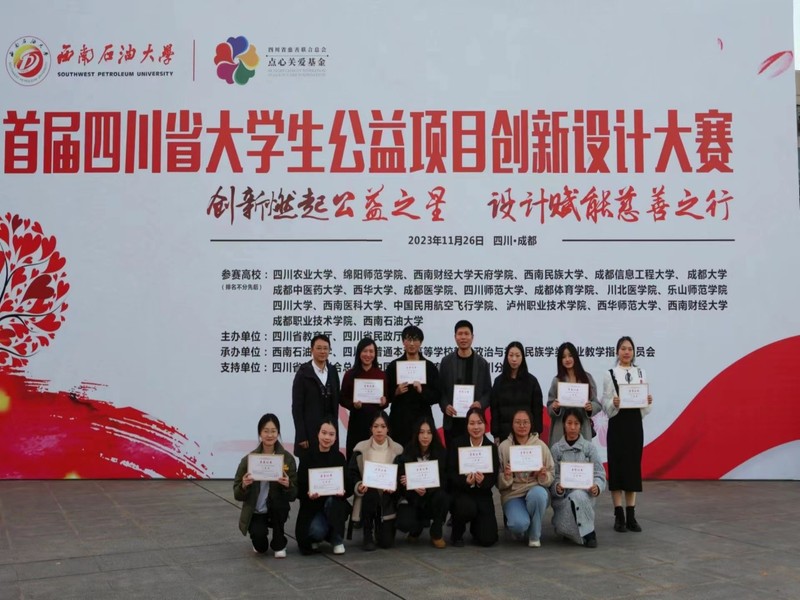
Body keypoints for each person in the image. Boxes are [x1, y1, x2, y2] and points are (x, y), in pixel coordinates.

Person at [601, 336, 654, 533]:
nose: (626, 352)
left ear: (633, 352)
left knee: (632, 468)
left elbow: (644, 405)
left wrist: (647, 400)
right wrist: (612, 403)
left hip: (634, 425)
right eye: (623, 348)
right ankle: (619, 515)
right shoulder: (610, 374)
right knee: (617, 468)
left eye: (629, 349)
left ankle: (631, 515)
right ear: (617, 352)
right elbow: (605, 402)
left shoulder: (640, 373)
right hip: (617, 424)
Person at [233, 413, 298, 557]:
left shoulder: (287, 459)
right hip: (257, 509)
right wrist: (244, 485)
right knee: (261, 547)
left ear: (278, 433)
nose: (270, 435)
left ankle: (279, 542)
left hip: (277, 508)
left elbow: (294, 495)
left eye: (273, 431)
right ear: (260, 433)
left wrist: (288, 485)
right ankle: (258, 538)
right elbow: (237, 493)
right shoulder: (248, 460)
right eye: (266, 431)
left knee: (279, 505)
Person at [497, 409, 554, 548]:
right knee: (518, 525)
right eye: (518, 422)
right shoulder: (504, 447)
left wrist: (543, 475)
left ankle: (534, 535)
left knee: (538, 495)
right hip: (513, 494)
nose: (522, 426)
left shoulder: (541, 446)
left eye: (525, 422)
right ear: (512, 424)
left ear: (531, 424)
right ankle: (523, 526)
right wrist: (506, 476)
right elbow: (497, 482)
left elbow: (551, 474)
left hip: (535, 489)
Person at [348, 411, 403, 551]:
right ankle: (367, 533)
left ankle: (381, 526)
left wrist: (395, 486)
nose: (379, 430)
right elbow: (352, 473)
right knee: (370, 492)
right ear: (371, 428)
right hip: (368, 495)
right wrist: (359, 485)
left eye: (383, 426)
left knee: (386, 543)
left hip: (388, 497)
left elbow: (401, 475)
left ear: (388, 428)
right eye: (376, 426)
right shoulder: (360, 449)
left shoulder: (398, 450)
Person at [550, 409, 606, 548]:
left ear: (581, 426)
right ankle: (579, 530)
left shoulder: (589, 448)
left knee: (579, 495)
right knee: (564, 523)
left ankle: (589, 534)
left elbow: (599, 473)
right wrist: (557, 487)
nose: (573, 427)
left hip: (585, 496)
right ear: (564, 425)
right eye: (569, 423)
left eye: (576, 423)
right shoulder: (556, 449)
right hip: (563, 499)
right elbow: (552, 476)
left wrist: (597, 486)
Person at [295, 419, 351, 556]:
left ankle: (337, 540)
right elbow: (299, 487)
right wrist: (308, 494)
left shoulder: (339, 457)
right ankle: (321, 536)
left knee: (334, 503)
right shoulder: (307, 458)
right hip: (313, 508)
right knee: (316, 531)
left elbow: (348, 484)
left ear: (335, 438)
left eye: (331, 434)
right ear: (318, 434)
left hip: (333, 505)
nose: (327, 437)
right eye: (324, 433)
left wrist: (343, 491)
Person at [447, 407, 499, 547]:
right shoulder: (457, 444)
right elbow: (450, 472)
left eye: (479, 423)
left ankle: (477, 528)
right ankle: (457, 534)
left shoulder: (491, 447)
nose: (476, 427)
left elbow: (493, 476)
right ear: (467, 425)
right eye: (472, 423)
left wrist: (483, 481)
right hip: (462, 493)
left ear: (485, 425)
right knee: (466, 508)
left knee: (488, 539)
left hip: (483, 494)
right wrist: (465, 481)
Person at [395, 416, 449, 548]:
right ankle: (416, 528)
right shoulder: (408, 451)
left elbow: (445, 480)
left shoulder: (440, 452)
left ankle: (436, 533)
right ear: (416, 434)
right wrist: (410, 484)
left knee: (443, 497)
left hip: (433, 497)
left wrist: (427, 489)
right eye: (422, 432)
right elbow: (400, 479)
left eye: (429, 432)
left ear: (433, 434)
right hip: (413, 498)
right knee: (405, 522)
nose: (425, 436)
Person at [439, 320, 492, 449]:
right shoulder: (446, 362)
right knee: (452, 457)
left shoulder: (482, 363)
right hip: (452, 422)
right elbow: (440, 391)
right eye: (460, 334)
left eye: (466, 334)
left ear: (472, 337)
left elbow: (488, 392)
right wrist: (445, 406)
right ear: (455, 337)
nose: (463, 337)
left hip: (474, 424)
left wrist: (480, 404)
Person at [386, 325, 440, 448]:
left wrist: (422, 391)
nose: (411, 343)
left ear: (421, 342)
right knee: (399, 452)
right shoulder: (394, 366)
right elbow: (385, 395)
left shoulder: (429, 367)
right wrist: (396, 392)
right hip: (399, 419)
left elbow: (437, 395)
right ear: (403, 342)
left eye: (415, 340)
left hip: (422, 419)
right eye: (408, 339)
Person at [292, 334, 341, 459]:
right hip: (309, 432)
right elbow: (297, 407)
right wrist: (301, 435)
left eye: (325, 348)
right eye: (319, 348)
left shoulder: (333, 371)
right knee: (309, 464)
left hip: (329, 433)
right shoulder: (303, 373)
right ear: (311, 350)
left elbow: (336, 401)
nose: (322, 351)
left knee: (329, 464)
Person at [340, 337, 388, 460]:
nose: (368, 354)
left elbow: (387, 399)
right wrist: (353, 404)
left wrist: (384, 402)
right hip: (357, 421)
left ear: (375, 354)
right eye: (365, 351)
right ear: (359, 353)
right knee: (355, 456)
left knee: (376, 457)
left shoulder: (381, 375)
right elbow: (342, 398)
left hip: (376, 423)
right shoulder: (350, 374)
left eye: (371, 351)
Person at [546, 342, 601, 446]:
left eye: (570, 355)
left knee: (582, 455)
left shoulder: (587, 378)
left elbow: (597, 404)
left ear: (575, 356)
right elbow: (549, 406)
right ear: (560, 360)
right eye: (563, 357)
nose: (567, 359)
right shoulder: (557, 380)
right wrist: (554, 407)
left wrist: (591, 407)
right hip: (561, 429)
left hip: (582, 428)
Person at [490, 341, 543, 444]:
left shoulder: (532, 381)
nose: (514, 359)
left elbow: (537, 410)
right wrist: (495, 434)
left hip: (527, 435)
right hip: (505, 436)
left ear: (522, 357)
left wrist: (536, 432)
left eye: (517, 355)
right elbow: (495, 411)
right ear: (506, 357)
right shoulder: (498, 381)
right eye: (511, 355)